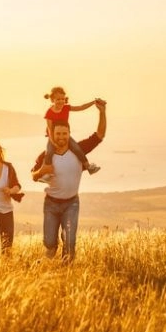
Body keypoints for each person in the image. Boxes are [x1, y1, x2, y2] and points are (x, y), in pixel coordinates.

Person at [31, 99, 106, 262]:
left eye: (64, 134)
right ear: (52, 134)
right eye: (57, 133)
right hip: (50, 204)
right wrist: (42, 170)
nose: (61, 137)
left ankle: (66, 272)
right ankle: (49, 260)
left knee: (70, 243)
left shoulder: (79, 150)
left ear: (69, 134)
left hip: (71, 204)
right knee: (49, 244)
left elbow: (99, 135)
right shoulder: (45, 156)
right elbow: (33, 176)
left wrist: (102, 112)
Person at [39, 86, 101, 183]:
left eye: (63, 99)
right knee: (49, 152)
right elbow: (50, 129)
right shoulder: (49, 112)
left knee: (76, 148)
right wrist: (52, 141)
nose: (61, 101)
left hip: (65, 135)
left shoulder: (66, 108)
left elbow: (81, 107)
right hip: (53, 136)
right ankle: (47, 175)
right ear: (53, 100)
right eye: (58, 99)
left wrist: (93, 102)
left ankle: (89, 167)